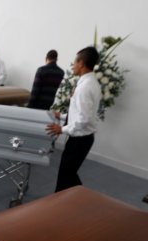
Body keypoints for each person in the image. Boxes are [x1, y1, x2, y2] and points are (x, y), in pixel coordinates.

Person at [46, 46, 101, 192]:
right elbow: (81, 113)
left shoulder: (85, 87)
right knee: (68, 174)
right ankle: (81, 198)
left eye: (75, 62)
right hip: (82, 138)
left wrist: (61, 129)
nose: (73, 66)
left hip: (79, 141)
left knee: (65, 177)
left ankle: (63, 205)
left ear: (81, 63)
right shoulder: (91, 83)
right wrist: (63, 116)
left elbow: (84, 119)